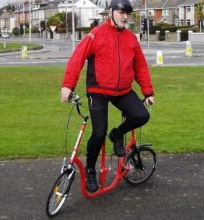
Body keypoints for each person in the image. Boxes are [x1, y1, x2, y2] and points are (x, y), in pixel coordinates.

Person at [60, 0, 154, 193]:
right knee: (98, 132)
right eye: (121, 12)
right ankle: (90, 170)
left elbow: (140, 66)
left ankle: (117, 134)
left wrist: (147, 92)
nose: (125, 16)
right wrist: (67, 86)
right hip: (98, 90)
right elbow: (77, 59)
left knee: (142, 115)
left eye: (127, 13)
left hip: (122, 90)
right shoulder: (96, 34)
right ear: (111, 12)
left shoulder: (131, 38)